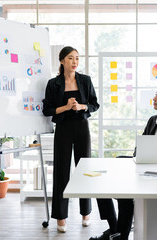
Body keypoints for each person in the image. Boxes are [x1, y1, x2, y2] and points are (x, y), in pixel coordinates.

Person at [90, 81, 157, 240]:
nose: (154, 98)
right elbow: (140, 148)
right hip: (144, 167)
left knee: (125, 197)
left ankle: (118, 232)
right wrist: (138, 157)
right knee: (111, 171)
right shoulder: (152, 120)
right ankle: (115, 229)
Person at [42, 46, 99, 233]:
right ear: (61, 61)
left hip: (82, 128)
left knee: (84, 171)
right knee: (61, 172)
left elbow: (94, 104)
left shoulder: (85, 80)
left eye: (77, 58)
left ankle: (86, 213)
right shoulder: (53, 83)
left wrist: (82, 106)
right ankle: (61, 216)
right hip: (63, 129)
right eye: (70, 58)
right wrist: (66, 107)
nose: (74, 62)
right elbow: (48, 110)